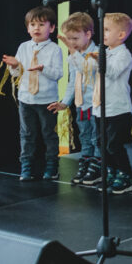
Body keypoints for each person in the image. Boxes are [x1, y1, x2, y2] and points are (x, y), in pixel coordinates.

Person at [3, 6, 63, 181]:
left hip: (47, 100)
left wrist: (43, 68)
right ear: (28, 28)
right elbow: (16, 74)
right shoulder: (23, 47)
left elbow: (58, 74)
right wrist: (14, 66)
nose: (37, 28)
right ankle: (26, 167)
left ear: (52, 28)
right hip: (26, 99)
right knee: (27, 134)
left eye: (42, 24)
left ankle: (52, 166)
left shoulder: (55, 49)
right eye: (33, 24)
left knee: (49, 134)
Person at [48, 12, 100, 185]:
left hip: (96, 104)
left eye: (75, 38)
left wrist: (72, 52)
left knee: (97, 137)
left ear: (88, 34)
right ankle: (86, 162)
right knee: (84, 136)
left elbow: (86, 69)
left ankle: (97, 166)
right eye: (69, 39)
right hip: (81, 104)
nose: (71, 43)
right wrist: (65, 102)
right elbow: (73, 81)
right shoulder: (73, 55)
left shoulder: (97, 53)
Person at [90, 12, 132, 194]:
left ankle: (126, 175)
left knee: (113, 144)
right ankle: (112, 172)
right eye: (102, 30)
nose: (103, 34)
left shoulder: (124, 54)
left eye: (107, 30)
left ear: (121, 35)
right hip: (100, 107)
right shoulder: (105, 52)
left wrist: (99, 59)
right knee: (101, 143)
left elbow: (113, 72)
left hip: (117, 108)